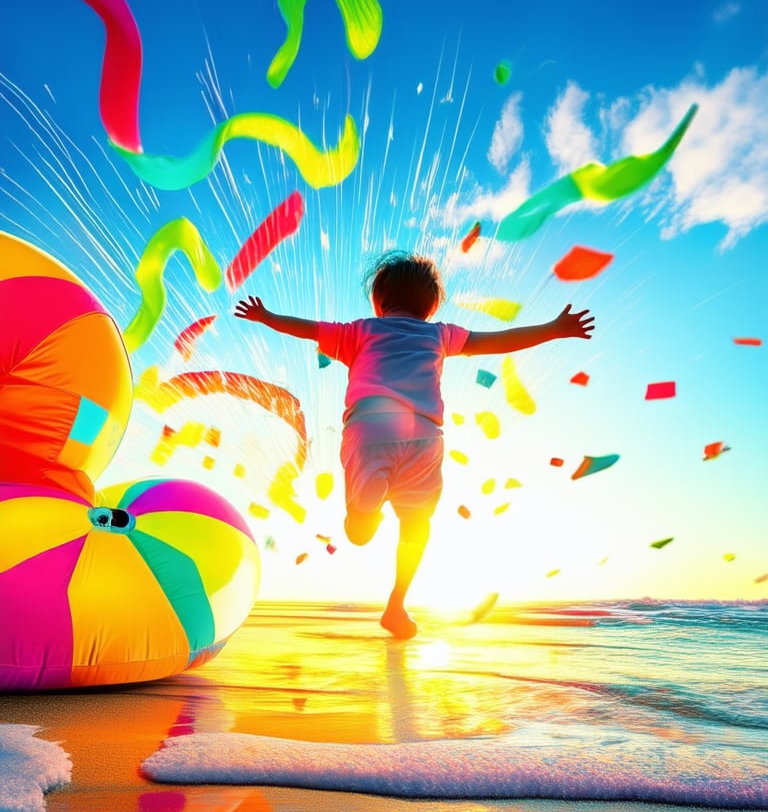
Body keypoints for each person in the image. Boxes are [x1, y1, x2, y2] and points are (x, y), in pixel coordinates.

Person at [235, 251, 594, 640]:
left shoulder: (362, 330)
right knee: (417, 525)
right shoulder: (439, 334)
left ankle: (362, 513)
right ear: (431, 305)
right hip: (424, 436)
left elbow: (309, 329)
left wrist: (267, 317)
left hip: (370, 427)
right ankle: (396, 604)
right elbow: (496, 342)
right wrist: (553, 328)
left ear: (379, 298)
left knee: (359, 533)